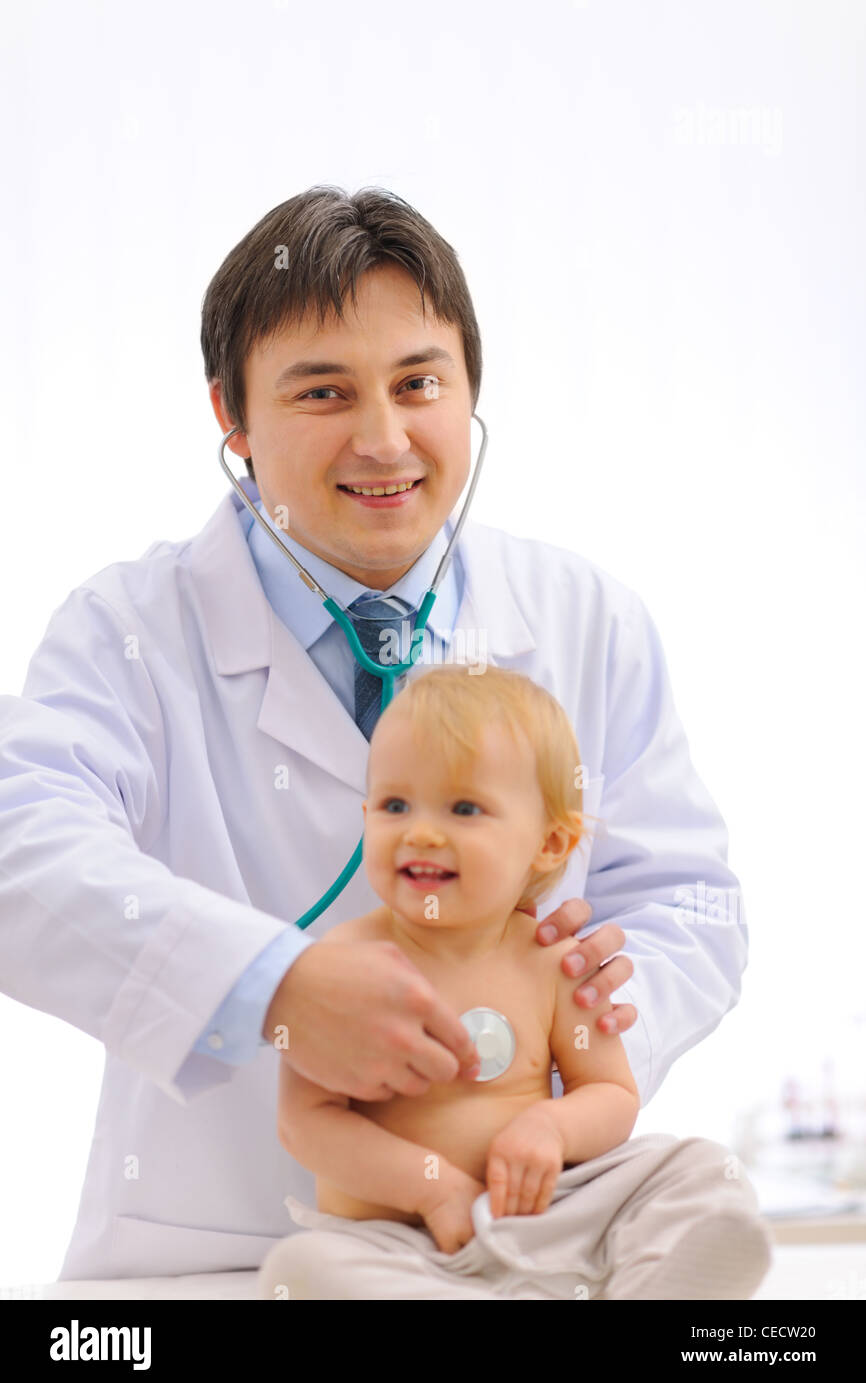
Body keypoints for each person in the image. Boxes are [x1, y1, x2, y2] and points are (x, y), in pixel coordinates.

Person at [0, 185, 747, 1281]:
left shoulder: (585, 619)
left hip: (510, 1229)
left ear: (468, 392)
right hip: (215, 1248)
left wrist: (571, 1023)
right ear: (232, 419)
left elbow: (688, 898)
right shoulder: (129, 630)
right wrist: (273, 989)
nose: (382, 438)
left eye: (417, 384)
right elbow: (21, 851)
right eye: (323, 392)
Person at [259, 664, 772, 1300]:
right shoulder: (341, 966)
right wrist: (432, 1187)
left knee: (697, 1170)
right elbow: (306, 1122)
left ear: (551, 843)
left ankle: (649, 1284)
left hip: (548, 1216)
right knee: (304, 1271)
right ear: (366, 816)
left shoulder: (552, 962)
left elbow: (610, 1093)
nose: (419, 830)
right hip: (398, 1246)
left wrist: (553, 1128)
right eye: (395, 805)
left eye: (464, 807)